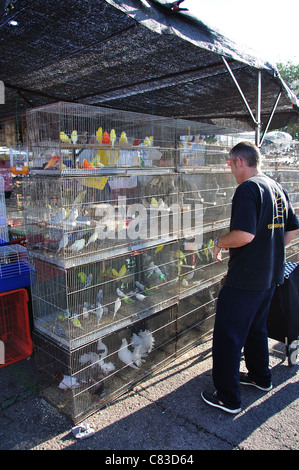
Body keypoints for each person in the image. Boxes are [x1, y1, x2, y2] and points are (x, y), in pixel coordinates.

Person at [201, 141, 299, 414]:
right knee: (257, 329)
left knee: (228, 336)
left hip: (245, 279)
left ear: (239, 162)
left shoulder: (248, 189)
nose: (231, 169)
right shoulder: (276, 187)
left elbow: (244, 235)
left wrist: (219, 241)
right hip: (270, 277)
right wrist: (271, 249)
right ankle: (261, 377)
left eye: (231, 164)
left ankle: (227, 398)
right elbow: (292, 228)